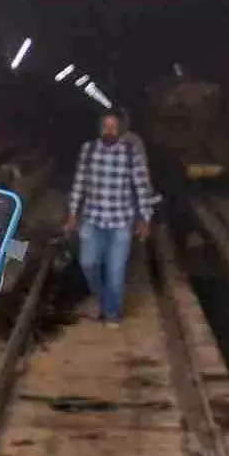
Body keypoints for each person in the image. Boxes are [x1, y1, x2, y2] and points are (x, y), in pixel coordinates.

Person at [61, 111, 158, 323]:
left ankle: (112, 315)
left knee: (116, 272)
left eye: (114, 127)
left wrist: (145, 219)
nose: (110, 131)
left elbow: (142, 188)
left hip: (121, 222)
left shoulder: (132, 152)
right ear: (100, 129)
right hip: (92, 219)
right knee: (88, 264)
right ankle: (105, 300)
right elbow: (79, 185)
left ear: (121, 130)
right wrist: (72, 214)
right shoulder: (88, 150)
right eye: (106, 126)